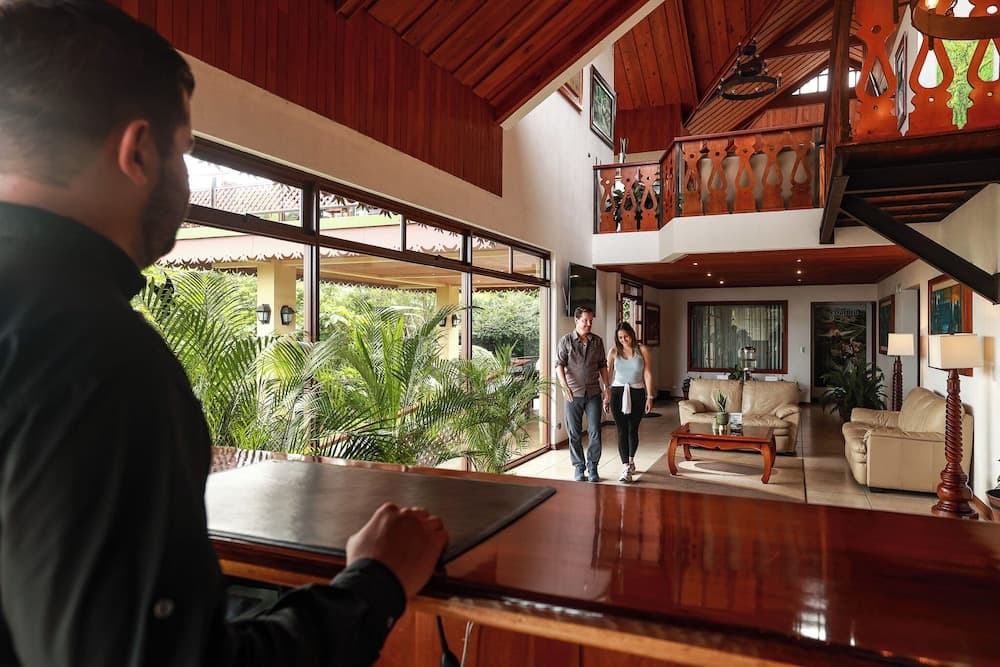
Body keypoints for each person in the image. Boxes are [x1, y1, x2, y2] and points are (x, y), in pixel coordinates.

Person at [0, 2, 447, 665]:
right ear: (139, 150)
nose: (184, 176)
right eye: (184, 151)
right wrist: (376, 581)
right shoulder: (97, 358)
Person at [555, 306, 611, 482]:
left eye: (591, 321)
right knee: (574, 432)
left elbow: (603, 365)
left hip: (593, 393)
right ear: (576, 320)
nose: (589, 324)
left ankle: (593, 467)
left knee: (595, 431)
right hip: (573, 394)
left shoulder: (597, 341)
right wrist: (564, 386)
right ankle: (579, 468)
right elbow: (559, 365)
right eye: (585, 320)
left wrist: (607, 387)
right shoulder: (565, 341)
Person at [604, 322, 654, 483]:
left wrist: (650, 396)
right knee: (621, 430)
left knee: (633, 430)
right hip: (617, 393)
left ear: (631, 334)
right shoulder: (613, 351)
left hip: (637, 393)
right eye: (620, 337)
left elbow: (647, 373)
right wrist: (606, 395)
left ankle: (631, 461)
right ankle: (625, 467)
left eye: (626, 336)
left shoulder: (642, 350)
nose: (623, 340)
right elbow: (608, 375)